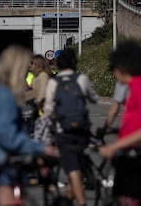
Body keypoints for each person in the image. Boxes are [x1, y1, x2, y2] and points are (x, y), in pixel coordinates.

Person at [0, 45, 57, 206]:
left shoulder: (1, 91)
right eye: (25, 66)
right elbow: (7, 136)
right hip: (6, 162)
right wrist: (40, 148)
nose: (28, 70)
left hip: (10, 161)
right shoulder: (4, 95)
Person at [43, 48, 97, 206]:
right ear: (74, 62)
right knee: (77, 166)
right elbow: (93, 98)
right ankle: (68, 200)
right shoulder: (82, 79)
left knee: (72, 169)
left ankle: (81, 203)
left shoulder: (53, 82)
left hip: (63, 130)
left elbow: (48, 109)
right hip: (82, 130)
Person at [99, 40, 141, 205]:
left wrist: (114, 146)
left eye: (113, 68)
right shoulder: (133, 87)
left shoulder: (139, 87)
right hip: (130, 156)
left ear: (122, 67)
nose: (113, 74)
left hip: (137, 157)